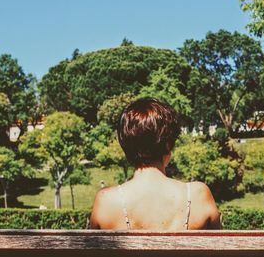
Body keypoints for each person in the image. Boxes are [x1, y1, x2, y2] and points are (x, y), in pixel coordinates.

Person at [90, 98, 221, 230]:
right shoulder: (197, 196)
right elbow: (221, 248)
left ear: (126, 147)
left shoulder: (106, 202)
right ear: (168, 145)